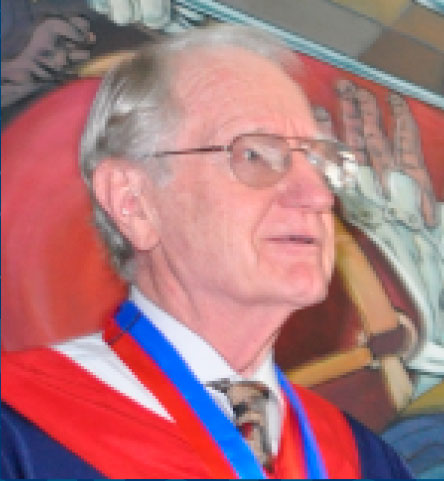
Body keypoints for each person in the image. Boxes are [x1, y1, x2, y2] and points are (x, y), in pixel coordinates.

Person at [1, 24, 412, 479]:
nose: (317, 194)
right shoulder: (19, 432)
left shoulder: (369, 463)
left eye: (318, 160)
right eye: (254, 155)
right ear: (133, 202)